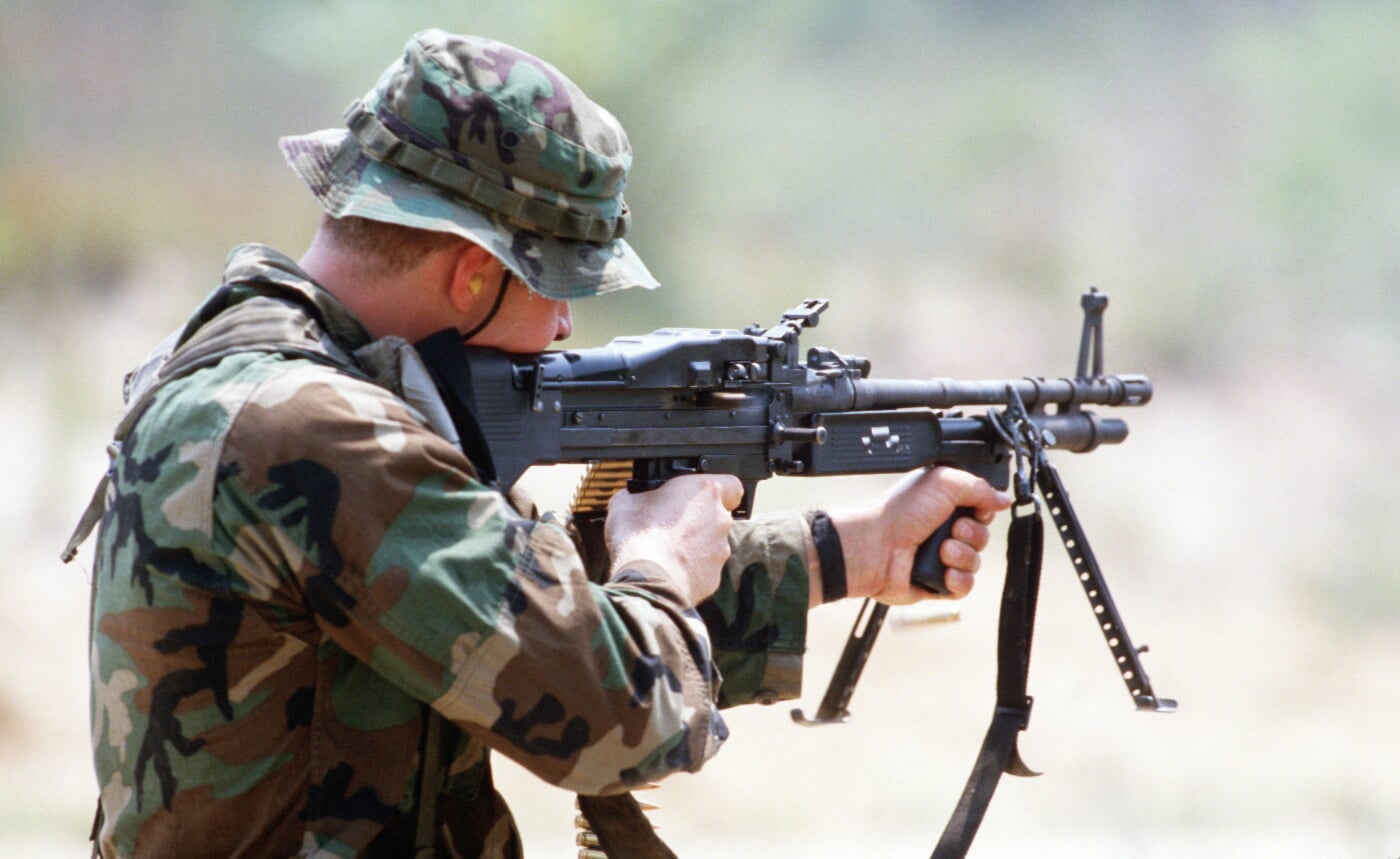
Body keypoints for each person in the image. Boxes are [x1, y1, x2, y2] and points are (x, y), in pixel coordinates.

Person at [78, 29, 1010, 858]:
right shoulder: (319, 430)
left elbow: (535, 626)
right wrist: (655, 558)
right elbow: (618, 715)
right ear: (474, 272)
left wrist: (857, 549)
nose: (565, 323)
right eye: (559, 284)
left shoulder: (277, 378)